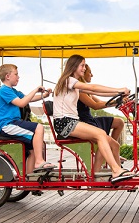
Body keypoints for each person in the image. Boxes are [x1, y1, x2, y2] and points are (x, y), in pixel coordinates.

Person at [53, 54, 134, 183]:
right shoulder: (69, 80)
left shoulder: (74, 84)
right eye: (82, 65)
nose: (84, 68)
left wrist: (117, 94)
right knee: (101, 134)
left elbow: (96, 92)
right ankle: (116, 170)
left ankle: (102, 176)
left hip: (72, 122)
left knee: (114, 144)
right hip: (65, 123)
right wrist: (119, 89)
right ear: (74, 66)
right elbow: (93, 88)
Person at [0, 63, 55, 174]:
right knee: (39, 127)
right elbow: (22, 103)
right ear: (7, 76)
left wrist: (44, 95)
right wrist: (36, 89)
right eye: (16, 74)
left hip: (13, 123)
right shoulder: (4, 90)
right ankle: (39, 161)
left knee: (32, 149)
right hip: (7, 125)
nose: (18, 77)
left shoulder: (12, 91)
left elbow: (28, 98)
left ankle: (29, 179)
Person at [77, 64, 126, 171]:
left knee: (119, 122)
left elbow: (100, 102)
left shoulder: (86, 91)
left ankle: (112, 156)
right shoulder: (80, 91)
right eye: (89, 72)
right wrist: (117, 100)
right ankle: (115, 168)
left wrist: (117, 101)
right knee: (113, 145)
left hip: (90, 119)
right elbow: (95, 106)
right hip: (85, 122)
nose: (92, 75)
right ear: (83, 74)